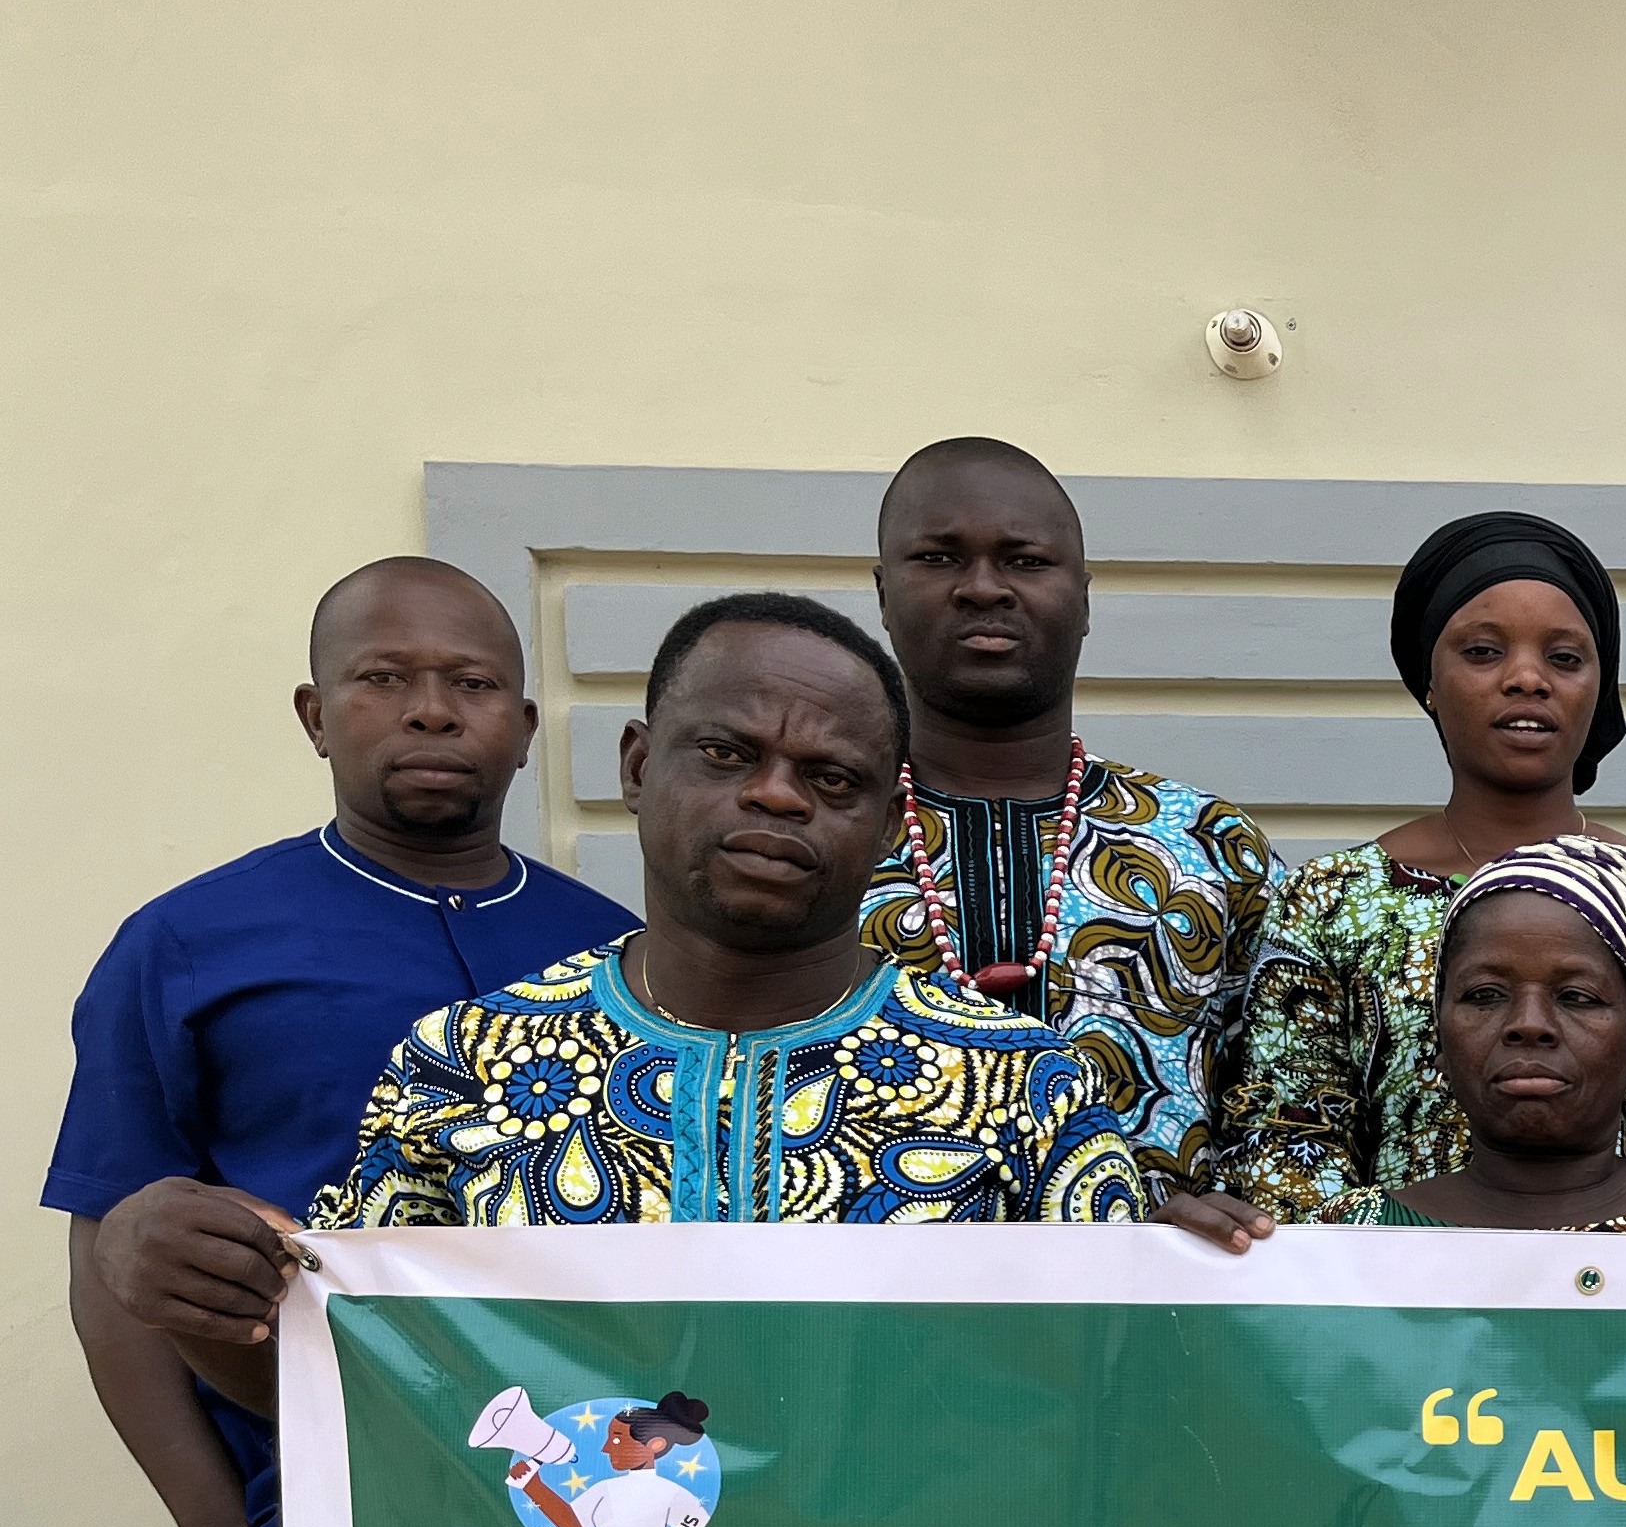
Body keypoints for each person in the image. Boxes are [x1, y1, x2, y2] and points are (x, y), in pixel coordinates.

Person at [97, 594, 1204, 1424]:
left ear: (881, 824)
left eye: (832, 779)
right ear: (636, 765)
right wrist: (195, 1293)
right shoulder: (465, 1064)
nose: (776, 794)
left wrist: (1217, 1282)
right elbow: (363, 1402)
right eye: (728, 754)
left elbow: (1120, 1420)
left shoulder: (1023, 1084)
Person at [49, 558, 636, 1527]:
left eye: (474, 683)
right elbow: (114, 1263)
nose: (430, 709)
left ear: (523, 724)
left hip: (581, 1518)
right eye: (385, 678)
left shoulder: (621, 956)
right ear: (317, 713)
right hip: (312, 1504)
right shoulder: (184, 946)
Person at [1219, 511, 1626, 1219]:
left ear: (1599, 688)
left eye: (1564, 658)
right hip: (1405, 1305)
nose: (1527, 679)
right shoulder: (1328, 902)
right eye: (1482, 652)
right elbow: (1288, 1153)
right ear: (1427, 681)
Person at [861, 439, 1275, 1249]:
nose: (983, 587)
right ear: (882, 592)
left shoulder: (1210, 846)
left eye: (1024, 560)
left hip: (1162, 1330)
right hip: (869, 1327)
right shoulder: (820, 837)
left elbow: (1285, 1113)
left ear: (1083, 600)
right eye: (939, 557)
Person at [1278, 836, 1626, 1235]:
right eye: (1485, 995)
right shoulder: (1346, 1237)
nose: (1529, 1025)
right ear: (1439, 1041)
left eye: (1577, 997)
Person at [509, 1393, 715, 1527]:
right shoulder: (607, 1488)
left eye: (617, 1439)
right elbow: (573, 1526)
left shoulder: (671, 1492)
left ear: (656, 1445)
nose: (606, 1448)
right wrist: (532, 1485)